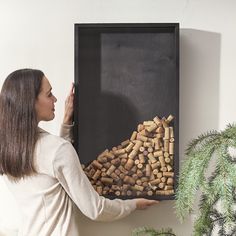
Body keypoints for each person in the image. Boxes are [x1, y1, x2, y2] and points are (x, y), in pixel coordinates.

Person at [0, 69, 158, 236]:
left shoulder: (9, 148)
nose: (55, 99)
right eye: (49, 94)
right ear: (30, 102)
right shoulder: (56, 149)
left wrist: (67, 122)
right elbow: (95, 209)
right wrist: (133, 205)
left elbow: (52, 162)